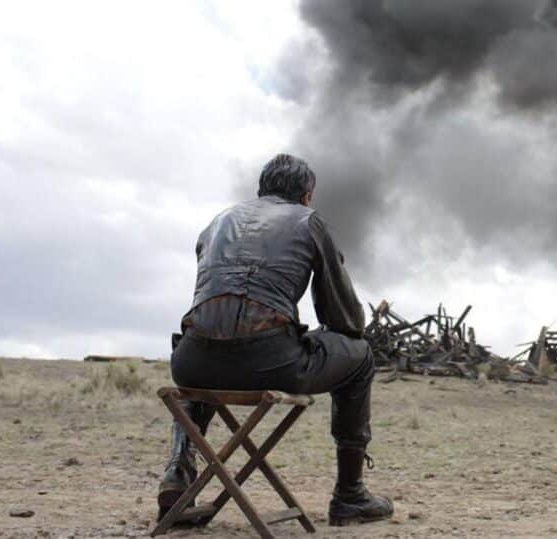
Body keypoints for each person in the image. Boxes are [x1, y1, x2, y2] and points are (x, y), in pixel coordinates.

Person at [157, 154, 393, 527]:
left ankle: (179, 473)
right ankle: (350, 496)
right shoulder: (309, 222)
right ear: (307, 195)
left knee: (201, 367)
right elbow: (345, 320)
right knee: (360, 355)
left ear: (261, 189)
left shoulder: (217, 222)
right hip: (267, 360)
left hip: (192, 361)